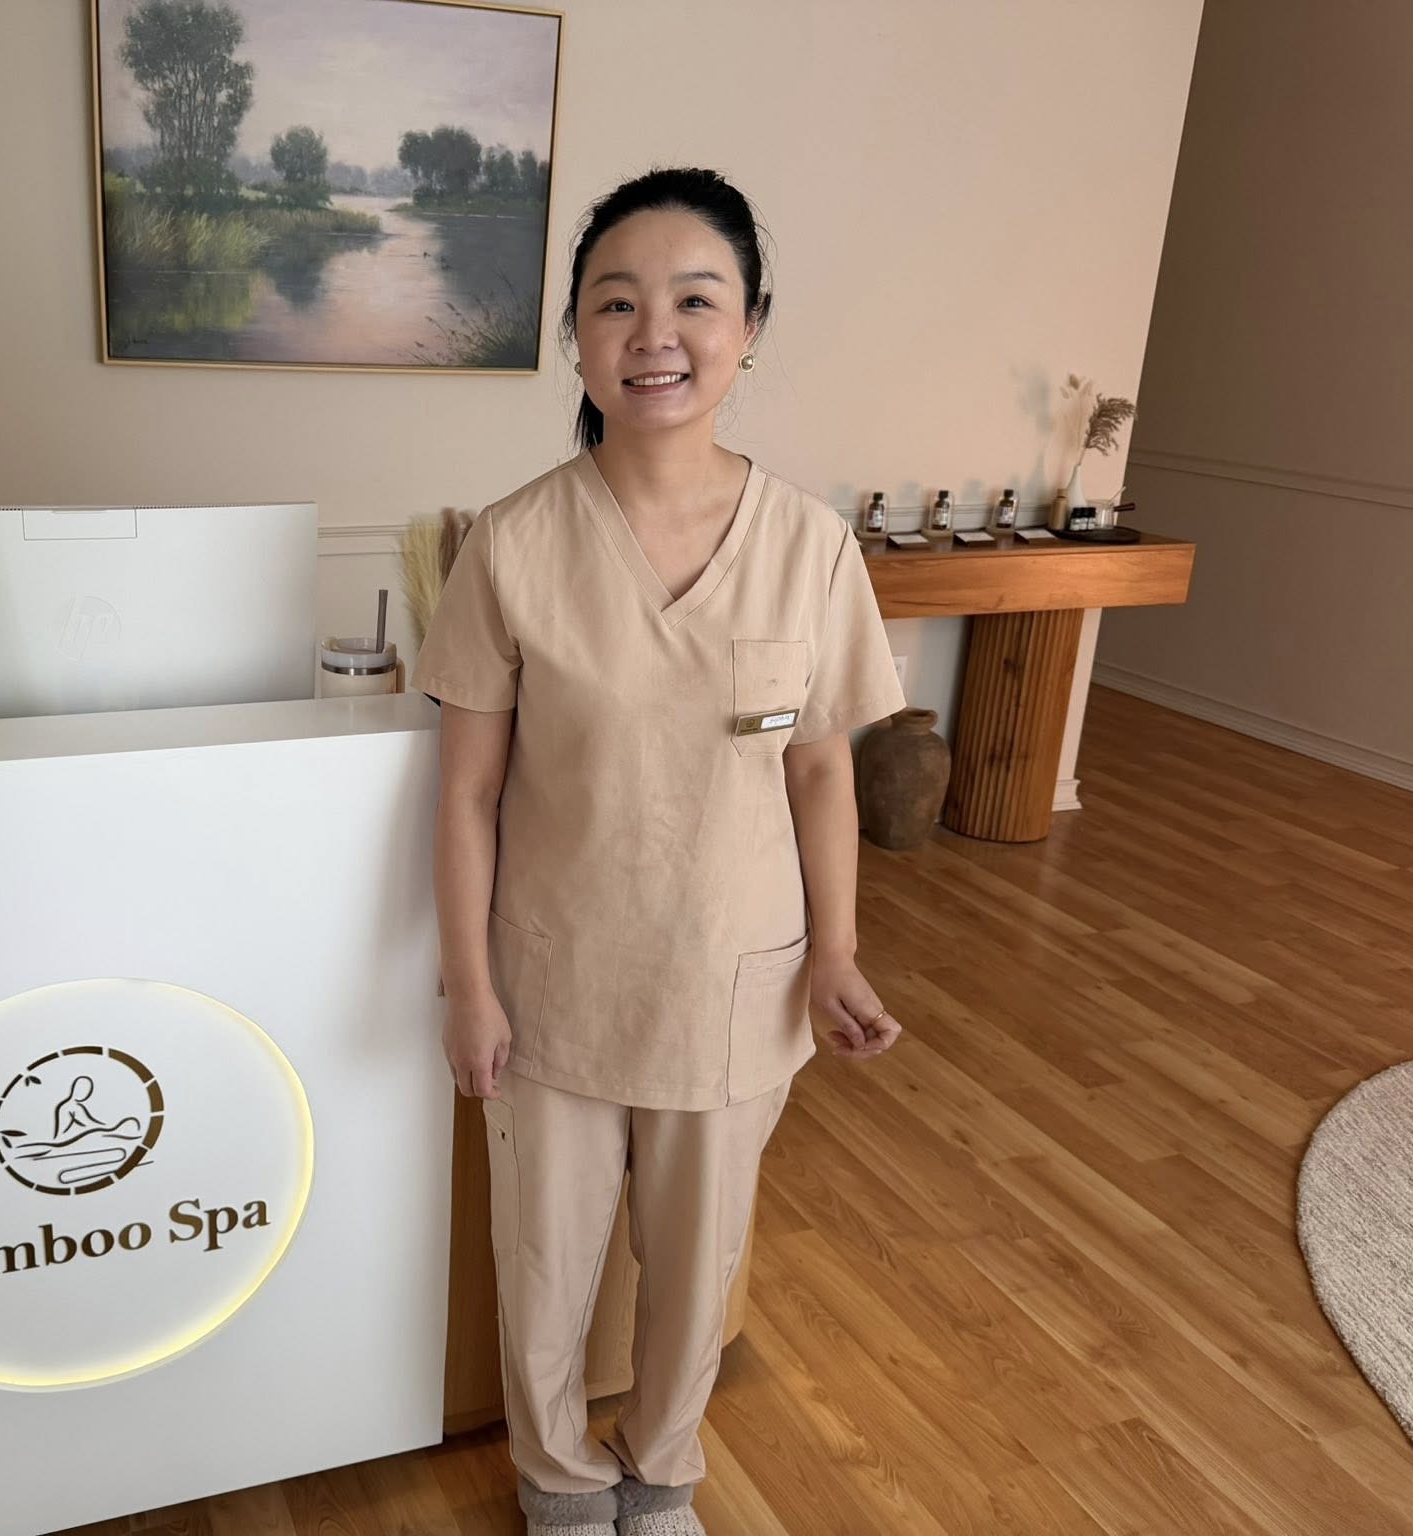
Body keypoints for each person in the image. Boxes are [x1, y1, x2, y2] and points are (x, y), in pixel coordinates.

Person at [411, 168, 907, 1536]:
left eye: (695, 299)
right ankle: (560, 1486)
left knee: (698, 1263)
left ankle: (664, 1471)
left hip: (736, 976)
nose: (655, 335)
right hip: (554, 978)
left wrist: (837, 954)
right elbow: (466, 795)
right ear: (576, 335)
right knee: (546, 1258)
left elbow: (820, 766)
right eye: (616, 303)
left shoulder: (810, 546)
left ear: (750, 325)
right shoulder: (514, 544)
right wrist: (470, 985)